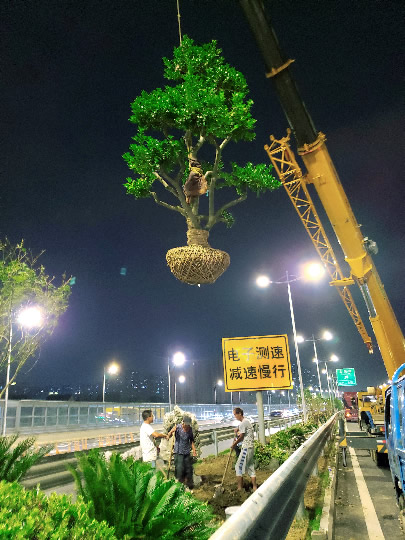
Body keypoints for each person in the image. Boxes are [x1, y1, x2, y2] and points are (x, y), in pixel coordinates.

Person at [231, 407, 257, 492]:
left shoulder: (243, 423)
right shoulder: (247, 421)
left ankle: (239, 489)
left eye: (235, 414)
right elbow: (242, 427)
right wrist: (237, 429)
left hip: (246, 448)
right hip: (251, 447)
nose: (235, 416)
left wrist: (234, 444)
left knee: (238, 466)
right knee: (250, 466)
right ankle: (254, 487)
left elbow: (241, 437)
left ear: (239, 414)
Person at [168, 415, 197, 489]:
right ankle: (178, 486)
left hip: (186, 452)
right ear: (183, 422)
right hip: (178, 452)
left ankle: (190, 485)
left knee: (188, 469)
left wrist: (194, 451)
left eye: (188, 425)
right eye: (186, 424)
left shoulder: (190, 429)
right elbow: (168, 436)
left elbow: (191, 441)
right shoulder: (177, 428)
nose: (187, 426)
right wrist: (171, 431)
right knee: (179, 469)